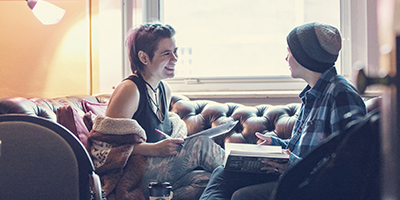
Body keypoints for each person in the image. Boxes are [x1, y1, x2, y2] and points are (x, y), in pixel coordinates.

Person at [199, 22, 367, 200]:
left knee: (243, 196)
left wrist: (292, 163)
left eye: (289, 51)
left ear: (305, 56)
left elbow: (348, 165)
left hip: (312, 186)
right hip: (296, 174)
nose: (286, 58)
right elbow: (301, 149)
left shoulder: (341, 94)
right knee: (221, 174)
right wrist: (277, 144)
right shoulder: (312, 94)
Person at [89, 23, 225, 200]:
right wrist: (154, 149)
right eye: (167, 53)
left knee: (207, 181)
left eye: (176, 51)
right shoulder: (130, 90)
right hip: (131, 176)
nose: (175, 58)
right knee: (201, 146)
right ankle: (248, 169)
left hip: (156, 175)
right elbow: (106, 148)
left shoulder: (164, 90)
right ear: (144, 58)